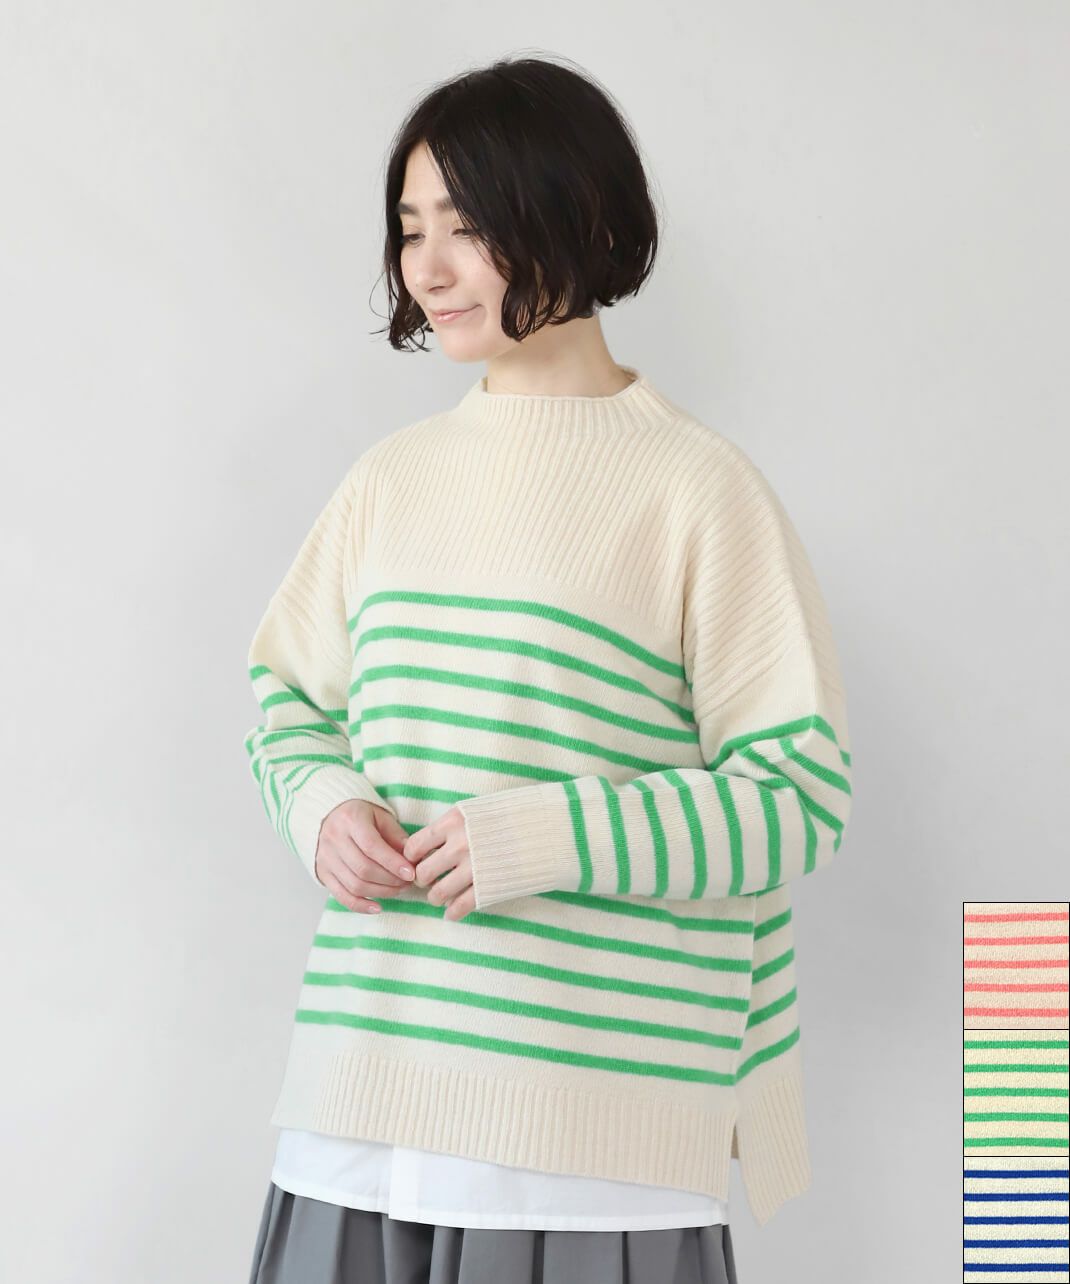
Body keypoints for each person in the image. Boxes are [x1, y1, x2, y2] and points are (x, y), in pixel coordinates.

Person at [243, 52, 853, 1284]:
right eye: (410, 227)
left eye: (465, 226)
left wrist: (549, 836)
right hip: (356, 1112)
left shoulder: (697, 490)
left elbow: (798, 799)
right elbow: (286, 703)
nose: (425, 268)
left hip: (584, 1153)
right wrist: (323, 810)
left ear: (574, 218)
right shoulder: (387, 482)